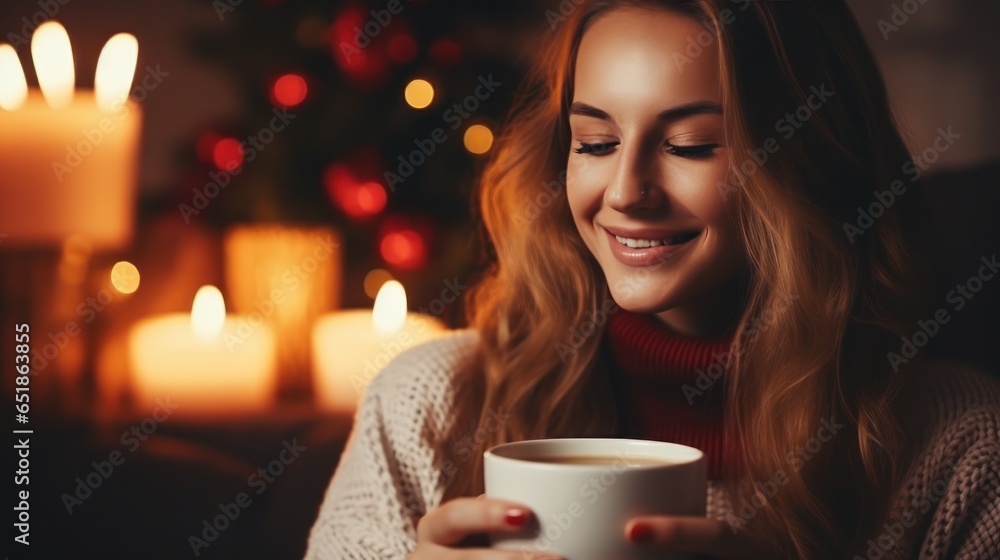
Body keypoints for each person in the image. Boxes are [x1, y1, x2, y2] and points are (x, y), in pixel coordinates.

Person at [306, 1, 1000, 558]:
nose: (626, 191)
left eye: (690, 146)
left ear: (810, 160)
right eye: (596, 143)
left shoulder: (959, 448)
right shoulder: (426, 408)